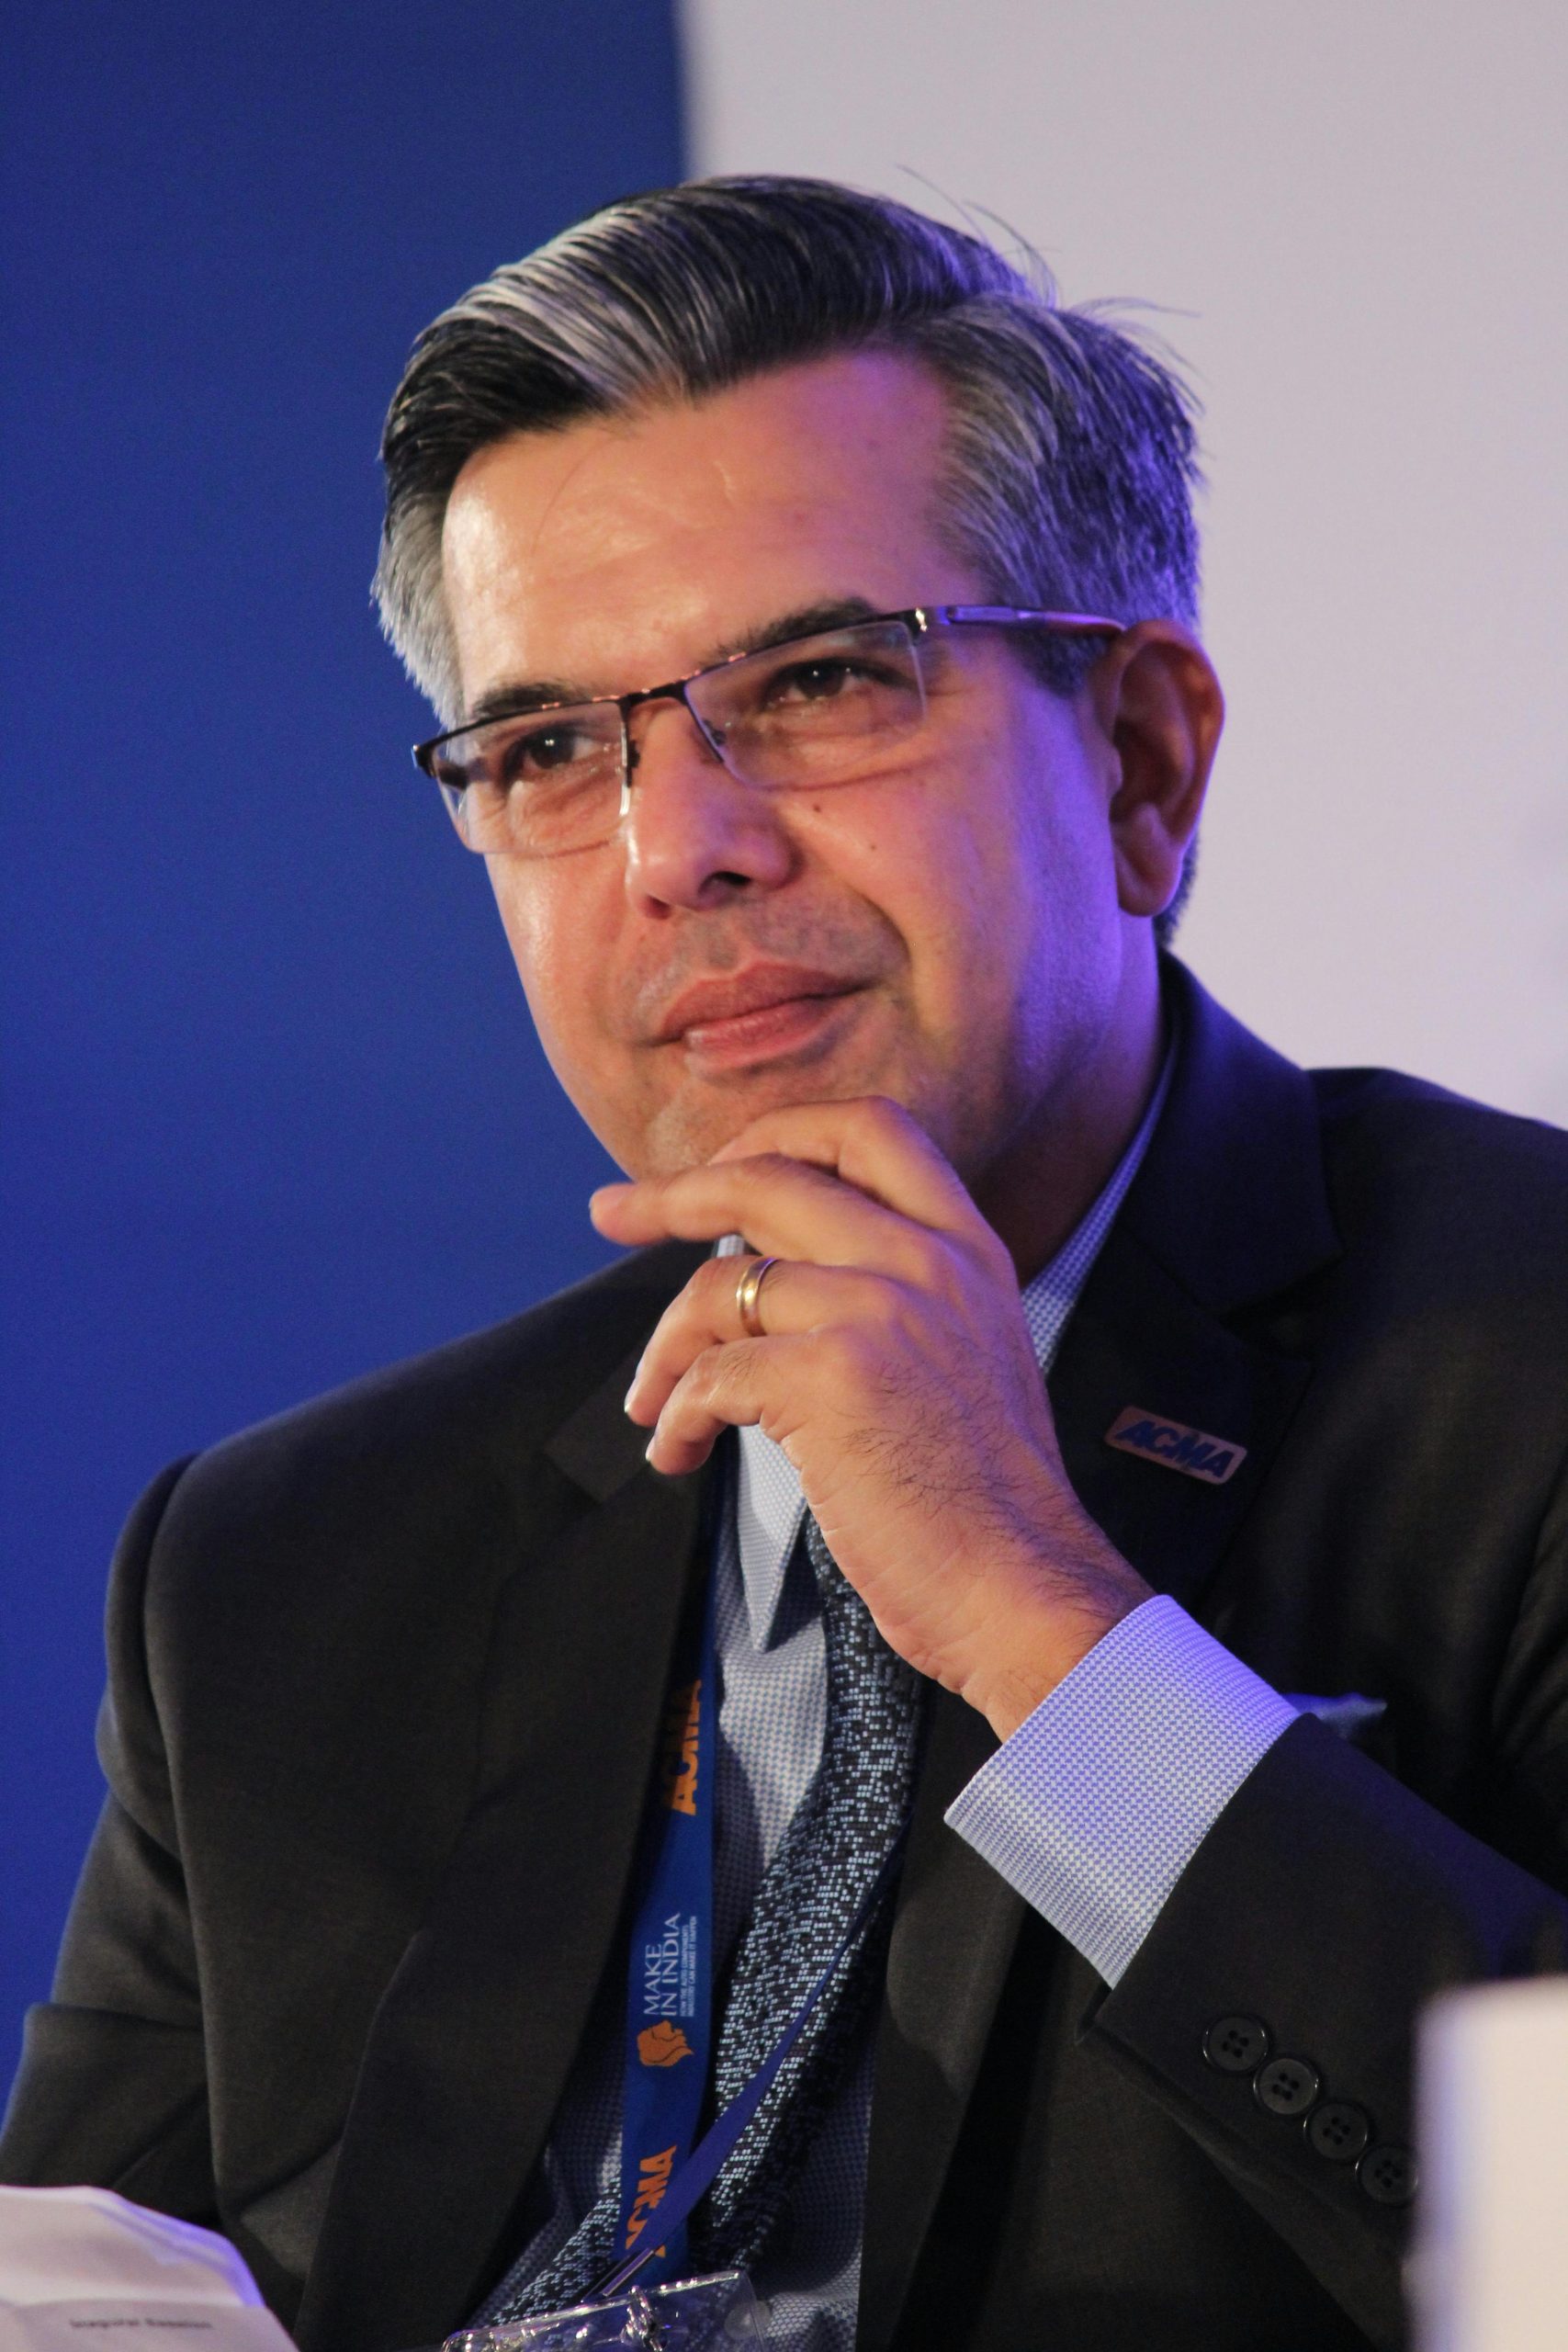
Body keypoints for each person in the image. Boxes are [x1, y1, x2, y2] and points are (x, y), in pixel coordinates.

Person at [4, 175, 1567, 2352]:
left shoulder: (1522, 1355)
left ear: (1138, 762)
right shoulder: (276, 1572)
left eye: (819, 677)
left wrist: (1046, 1622)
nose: (677, 848)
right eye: (550, 748)